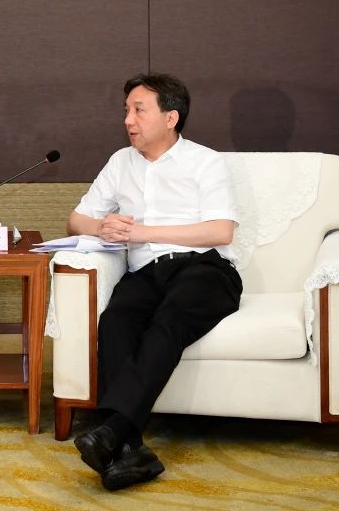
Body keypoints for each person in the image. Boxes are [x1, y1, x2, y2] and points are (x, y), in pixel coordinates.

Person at [66, 73, 241, 491]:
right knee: (115, 322)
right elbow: (76, 219)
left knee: (168, 321)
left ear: (170, 117)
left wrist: (143, 232)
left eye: (139, 110)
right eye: (126, 110)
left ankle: (112, 430)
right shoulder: (120, 162)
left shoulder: (206, 161)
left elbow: (221, 231)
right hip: (145, 272)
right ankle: (131, 452)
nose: (128, 119)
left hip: (204, 269)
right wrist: (102, 226)